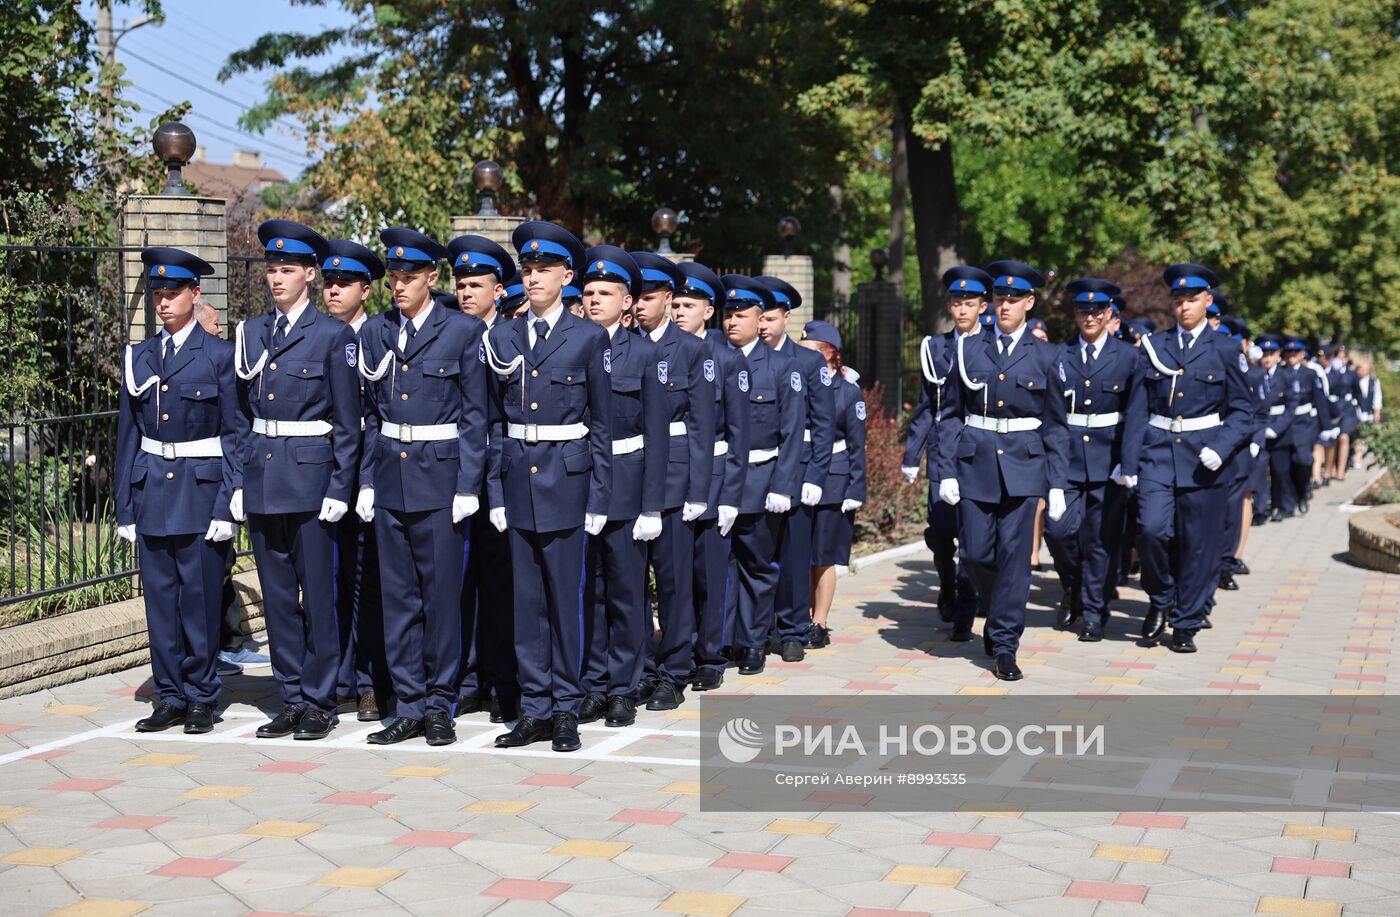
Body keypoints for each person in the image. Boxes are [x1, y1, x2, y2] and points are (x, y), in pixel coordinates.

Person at [353, 229, 487, 746]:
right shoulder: (375, 333)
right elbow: (368, 415)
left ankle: (439, 704)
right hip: (390, 478)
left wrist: (468, 483)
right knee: (399, 599)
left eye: (410, 277)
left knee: (440, 600)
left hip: (441, 479)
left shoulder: (461, 333)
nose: (399, 286)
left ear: (433, 277)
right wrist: (366, 479)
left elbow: (476, 416)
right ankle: (407, 704)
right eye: (394, 277)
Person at [485, 221, 611, 753]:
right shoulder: (503, 335)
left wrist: (600, 497)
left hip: (568, 479)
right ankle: (534, 707)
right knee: (525, 602)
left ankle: (565, 708)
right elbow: (490, 420)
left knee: (565, 601)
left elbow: (603, 424)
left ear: (567, 276)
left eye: (543, 270)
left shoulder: (588, 338)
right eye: (527, 269)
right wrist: (493, 491)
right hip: (517, 479)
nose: (533, 277)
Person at [232, 220, 360, 741]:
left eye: (288, 270)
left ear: (310, 275)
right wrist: (239, 479)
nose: (277, 278)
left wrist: (338, 487)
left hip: (311, 480)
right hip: (264, 476)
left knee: (318, 597)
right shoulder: (253, 332)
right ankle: (289, 696)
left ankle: (320, 699)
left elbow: (349, 423)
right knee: (279, 597)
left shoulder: (331, 335)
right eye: (272, 269)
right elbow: (239, 415)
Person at [117, 248, 245, 734]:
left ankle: (201, 695)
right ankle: (168, 695)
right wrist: (125, 506)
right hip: (152, 491)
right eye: (158, 294)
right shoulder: (140, 355)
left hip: (201, 492)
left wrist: (227, 501)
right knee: (161, 602)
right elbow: (127, 436)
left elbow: (235, 434)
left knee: (200, 599)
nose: (163, 302)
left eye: (173, 293)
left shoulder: (219, 355)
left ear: (196, 294)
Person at [936, 260, 1069, 680]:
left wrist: (1059, 484)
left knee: (1015, 558)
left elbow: (1055, 425)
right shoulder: (968, 349)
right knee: (975, 552)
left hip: (1025, 466)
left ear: (1029, 302)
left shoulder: (1048, 354)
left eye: (1014, 299)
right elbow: (951, 415)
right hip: (975, 463)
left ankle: (1005, 642)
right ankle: (997, 612)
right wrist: (946, 471)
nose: (1005, 305)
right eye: (999, 298)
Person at [1121, 264, 1252, 652]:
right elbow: (1138, 409)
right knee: (1150, 530)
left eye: (1192, 300)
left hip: (1204, 458)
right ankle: (1161, 597)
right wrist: (1129, 464)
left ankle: (1186, 622)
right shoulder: (1155, 347)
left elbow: (1243, 410)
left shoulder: (1227, 349)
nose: (1184, 308)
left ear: (1208, 302)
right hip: (1158, 454)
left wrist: (1222, 446)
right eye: (1178, 301)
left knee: (1199, 544)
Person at [575, 246, 667, 728]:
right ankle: (592, 683)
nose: (593, 300)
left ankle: (623, 688)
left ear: (627, 300)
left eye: (604, 293)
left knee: (627, 592)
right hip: (579, 483)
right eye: (588, 292)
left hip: (628, 487)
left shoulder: (646, 354)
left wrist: (652, 505)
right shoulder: (571, 344)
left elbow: (656, 435)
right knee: (587, 589)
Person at [629, 252, 715, 709]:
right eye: (636, 299)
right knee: (633, 581)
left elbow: (702, 424)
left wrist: (699, 489)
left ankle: (674, 670)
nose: (640, 307)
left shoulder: (691, 349)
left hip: (675, 477)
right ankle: (641, 666)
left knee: (674, 578)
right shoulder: (619, 344)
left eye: (649, 298)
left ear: (668, 298)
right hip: (631, 474)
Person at [445, 234, 520, 723]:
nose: (466, 293)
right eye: (461, 284)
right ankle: (467, 678)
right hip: (449, 477)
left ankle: (504, 680)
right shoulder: (448, 333)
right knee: (459, 584)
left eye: (476, 285)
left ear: (500, 291)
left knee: (503, 583)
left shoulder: (510, 338)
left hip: (502, 477)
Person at [1042, 278, 1138, 642]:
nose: (1090, 317)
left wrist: (1127, 462)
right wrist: (1051, 471)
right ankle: (1074, 587)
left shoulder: (1128, 356)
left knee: (1100, 541)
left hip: (1107, 459)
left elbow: (1135, 414)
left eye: (1097, 311)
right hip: (1066, 461)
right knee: (1059, 530)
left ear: (1109, 314)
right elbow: (1051, 417)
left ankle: (1094, 612)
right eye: (1083, 311)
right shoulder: (1058, 356)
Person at [901, 266, 990, 640]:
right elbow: (926, 406)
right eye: (957, 303)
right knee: (941, 532)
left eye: (970, 303)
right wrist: (911, 454)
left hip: (980, 452)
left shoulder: (992, 347)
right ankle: (948, 582)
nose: (963, 310)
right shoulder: (934, 347)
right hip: (942, 452)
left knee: (974, 536)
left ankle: (964, 613)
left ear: (983, 307)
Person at [321, 239, 390, 722]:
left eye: (343, 283)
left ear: (365, 290)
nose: (333, 291)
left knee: (368, 582)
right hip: (321, 478)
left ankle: (369, 682)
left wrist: (364, 480)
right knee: (329, 582)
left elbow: (375, 419)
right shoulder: (314, 335)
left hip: (368, 478)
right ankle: (338, 679)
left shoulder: (380, 336)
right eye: (327, 283)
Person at [722, 274, 803, 676]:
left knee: (756, 564)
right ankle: (723, 640)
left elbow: (792, 433)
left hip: (760, 478)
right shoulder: (712, 357)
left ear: (761, 319)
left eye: (742, 315)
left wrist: (783, 484)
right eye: (728, 314)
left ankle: (753, 642)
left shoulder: (782, 366)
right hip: (717, 481)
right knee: (720, 566)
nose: (733, 321)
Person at [672, 261, 748, 689]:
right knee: (676, 574)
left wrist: (732, 496)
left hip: (716, 476)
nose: (680, 311)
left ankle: (710, 656)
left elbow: (739, 437)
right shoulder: (660, 349)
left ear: (709, 310)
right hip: (674, 475)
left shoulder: (727, 358)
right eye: (676, 304)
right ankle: (678, 653)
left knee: (709, 572)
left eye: (689, 304)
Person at [755, 275, 836, 661]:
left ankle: (791, 629)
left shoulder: (808, 360)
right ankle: (762, 626)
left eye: (770, 317)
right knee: (758, 552)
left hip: (800, 470)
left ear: (786, 317)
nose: (763, 325)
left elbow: (824, 424)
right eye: (760, 317)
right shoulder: (743, 356)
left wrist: (817, 476)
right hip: (758, 469)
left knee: (794, 553)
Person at [799, 321, 865, 646]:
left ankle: (819, 621)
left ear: (829, 353)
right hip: (799, 474)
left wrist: (856, 488)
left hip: (833, 482)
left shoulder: (848, 392)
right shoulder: (797, 384)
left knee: (822, 556)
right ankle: (797, 617)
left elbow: (857, 445)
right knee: (798, 553)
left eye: (810, 351)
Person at [1213, 317, 1265, 594]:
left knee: (1233, 507)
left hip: (1237, 446)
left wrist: (1254, 440)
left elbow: (1250, 409)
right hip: (1204, 444)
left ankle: (1225, 564)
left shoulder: (1237, 359)